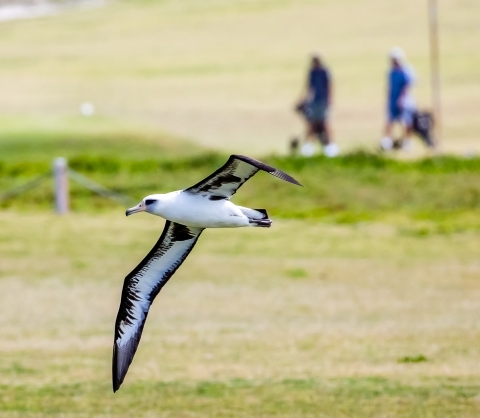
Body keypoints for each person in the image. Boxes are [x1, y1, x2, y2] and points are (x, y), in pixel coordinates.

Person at [297, 53, 338, 157]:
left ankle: (331, 147)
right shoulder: (312, 72)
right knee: (312, 124)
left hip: (322, 100)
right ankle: (308, 147)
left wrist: (330, 99)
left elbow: (329, 86)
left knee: (324, 123)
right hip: (314, 101)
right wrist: (303, 99)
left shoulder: (324, 72)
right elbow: (309, 87)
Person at [380, 47, 416, 152]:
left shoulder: (405, 71)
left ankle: (407, 142)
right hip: (393, 99)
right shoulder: (391, 71)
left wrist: (401, 99)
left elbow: (407, 86)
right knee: (390, 120)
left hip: (404, 101)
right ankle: (387, 142)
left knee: (406, 121)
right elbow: (390, 86)